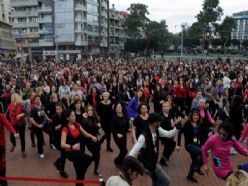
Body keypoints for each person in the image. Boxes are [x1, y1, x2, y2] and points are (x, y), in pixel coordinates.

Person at [129, 112, 181, 186]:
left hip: (153, 161)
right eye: (159, 121)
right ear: (154, 123)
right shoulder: (143, 137)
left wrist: (177, 128)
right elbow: (133, 152)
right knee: (166, 181)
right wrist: (128, 166)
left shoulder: (157, 129)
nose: (161, 122)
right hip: (148, 164)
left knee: (156, 181)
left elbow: (169, 134)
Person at [61, 109, 97, 186]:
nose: (75, 117)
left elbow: (85, 133)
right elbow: (62, 144)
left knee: (79, 171)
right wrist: (72, 146)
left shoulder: (77, 124)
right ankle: (81, 176)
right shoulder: (65, 129)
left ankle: (79, 183)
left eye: (74, 115)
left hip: (78, 151)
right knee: (89, 159)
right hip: (70, 152)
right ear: (68, 118)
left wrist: (92, 137)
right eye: (73, 116)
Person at [177, 108, 204, 183]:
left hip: (196, 144)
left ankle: (190, 176)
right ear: (191, 116)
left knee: (194, 160)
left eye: (197, 115)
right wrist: (178, 145)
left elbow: (201, 135)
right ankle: (197, 168)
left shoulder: (199, 124)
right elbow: (179, 133)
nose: (196, 116)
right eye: (194, 115)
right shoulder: (188, 123)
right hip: (189, 145)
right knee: (203, 152)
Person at [82, 105, 102, 176]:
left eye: (91, 110)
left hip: (95, 138)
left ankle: (95, 169)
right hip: (88, 140)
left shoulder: (95, 118)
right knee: (96, 155)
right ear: (86, 111)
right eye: (89, 110)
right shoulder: (85, 120)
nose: (90, 111)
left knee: (97, 155)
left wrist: (99, 126)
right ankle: (87, 164)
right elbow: (87, 130)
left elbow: (96, 129)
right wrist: (97, 126)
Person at [0, 106, 18, 186]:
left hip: (1, 143)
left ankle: (3, 179)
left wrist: (14, 132)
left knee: (2, 162)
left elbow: (8, 124)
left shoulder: (1, 116)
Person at [8, 93, 27, 158]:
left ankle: (23, 151)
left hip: (21, 124)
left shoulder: (21, 105)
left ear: (16, 98)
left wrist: (21, 115)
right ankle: (14, 144)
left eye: (12, 97)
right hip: (13, 124)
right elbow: (6, 114)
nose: (11, 98)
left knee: (22, 138)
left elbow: (26, 112)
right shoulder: (10, 105)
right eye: (11, 97)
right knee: (11, 136)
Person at [52, 103, 68, 178]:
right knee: (64, 154)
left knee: (64, 154)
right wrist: (62, 124)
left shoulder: (64, 115)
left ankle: (58, 163)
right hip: (57, 138)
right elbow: (55, 128)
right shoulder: (54, 117)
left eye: (59, 109)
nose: (58, 110)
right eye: (57, 109)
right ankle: (61, 170)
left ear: (62, 109)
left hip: (64, 137)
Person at [112, 102, 129, 168]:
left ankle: (120, 162)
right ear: (115, 109)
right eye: (117, 107)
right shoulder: (114, 118)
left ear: (121, 107)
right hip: (117, 137)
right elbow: (112, 128)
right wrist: (117, 134)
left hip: (124, 136)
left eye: (120, 107)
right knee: (125, 150)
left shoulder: (124, 115)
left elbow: (127, 124)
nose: (119, 108)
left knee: (123, 150)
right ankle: (116, 160)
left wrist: (128, 128)